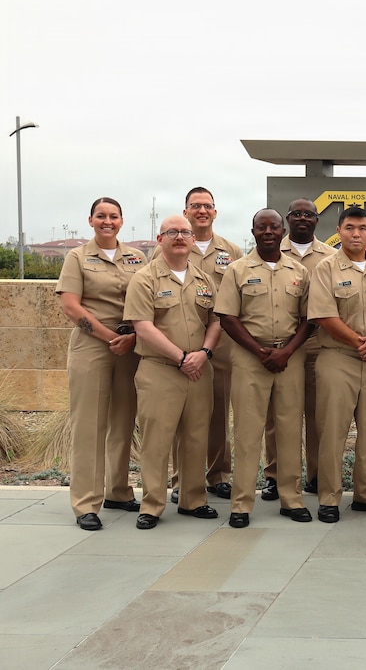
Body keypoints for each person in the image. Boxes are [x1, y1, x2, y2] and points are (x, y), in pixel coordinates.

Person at [215, 209, 313, 528]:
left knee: (288, 429)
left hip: (289, 356)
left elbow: (308, 319)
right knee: (247, 431)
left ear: (283, 230)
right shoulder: (237, 270)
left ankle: (292, 499)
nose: (268, 231)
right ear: (253, 231)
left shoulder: (299, 271)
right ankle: (242, 504)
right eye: (262, 227)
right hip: (249, 356)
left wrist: (286, 352)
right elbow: (228, 317)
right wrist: (259, 351)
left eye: (274, 226)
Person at [124, 215, 222, 529]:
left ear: (193, 240)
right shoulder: (145, 278)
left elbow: (216, 321)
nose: (179, 237)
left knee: (196, 437)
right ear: (160, 238)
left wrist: (204, 353)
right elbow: (142, 326)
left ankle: (194, 499)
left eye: (184, 232)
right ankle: (152, 505)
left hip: (198, 370)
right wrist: (182, 357)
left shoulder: (204, 279)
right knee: (157, 440)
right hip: (161, 370)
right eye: (172, 232)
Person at [57, 197, 148, 530]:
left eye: (113, 216)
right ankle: (86, 503)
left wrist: (133, 338)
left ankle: (119, 491)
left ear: (122, 221)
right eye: (101, 216)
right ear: (91, 220)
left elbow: (147, 299)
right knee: (90, 426)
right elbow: (71, 307)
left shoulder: (136, 257)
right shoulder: (77, 258)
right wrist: (110, 336)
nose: (107, 221)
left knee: (124, 422)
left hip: (130, 346)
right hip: (93, 346)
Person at [307, 206, 366, 524]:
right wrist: (361, 342)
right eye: (349, 228)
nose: (356, 234)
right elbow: (323, 315)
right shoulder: (325, 268)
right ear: (339, 230)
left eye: (362, 228)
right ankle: (329, 497)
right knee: (333, 430)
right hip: (338, 358)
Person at [154, 187, 243, 504]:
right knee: (182, 416)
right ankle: (181, 479)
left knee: (218, 411)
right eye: (196, 206)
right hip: (179, 346)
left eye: (208, 206)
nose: (202, 210)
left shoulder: (231, 251)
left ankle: (219, 475)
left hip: (220, 344)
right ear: (186, 211)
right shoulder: (169, 244)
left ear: (215, 212)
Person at [267, 198, 335, 499]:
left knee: (318, 413)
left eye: (309, 214)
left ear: (317, 220)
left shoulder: (331, 256)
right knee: (278, 414)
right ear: (288, 219)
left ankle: (317, 475)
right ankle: (274, 474)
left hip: (319, 346)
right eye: (297, 214)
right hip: (282, 348)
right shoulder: (271, 250)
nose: (303, 218)